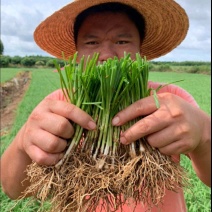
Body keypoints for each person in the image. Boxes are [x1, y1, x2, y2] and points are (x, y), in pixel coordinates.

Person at [1, 0, 211, 211]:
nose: (107, 55)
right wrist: (23, 143)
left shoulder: (169, 100)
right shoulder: (58, 105)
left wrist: (202, 133)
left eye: (122, 41)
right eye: (91, 43)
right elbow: (12, 190)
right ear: (76, 53)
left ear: (141, 50)